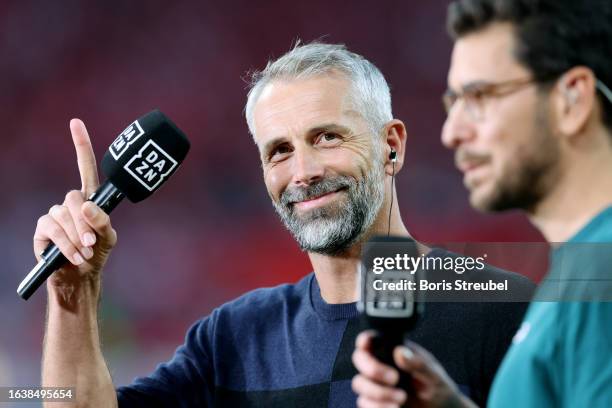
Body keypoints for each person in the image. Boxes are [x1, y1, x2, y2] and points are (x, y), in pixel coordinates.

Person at [36, 43, 532, 408]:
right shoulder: (232, 339)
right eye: (280, 150)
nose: (304, 171)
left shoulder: (505, 311)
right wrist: (71, 292)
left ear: (392, 146)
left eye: (328, 136)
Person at [351, 0, 612, 406]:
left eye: (479, 97)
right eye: (451, 103)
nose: (450, 133)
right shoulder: (581, 271)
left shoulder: (601, 277)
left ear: (572, 99)